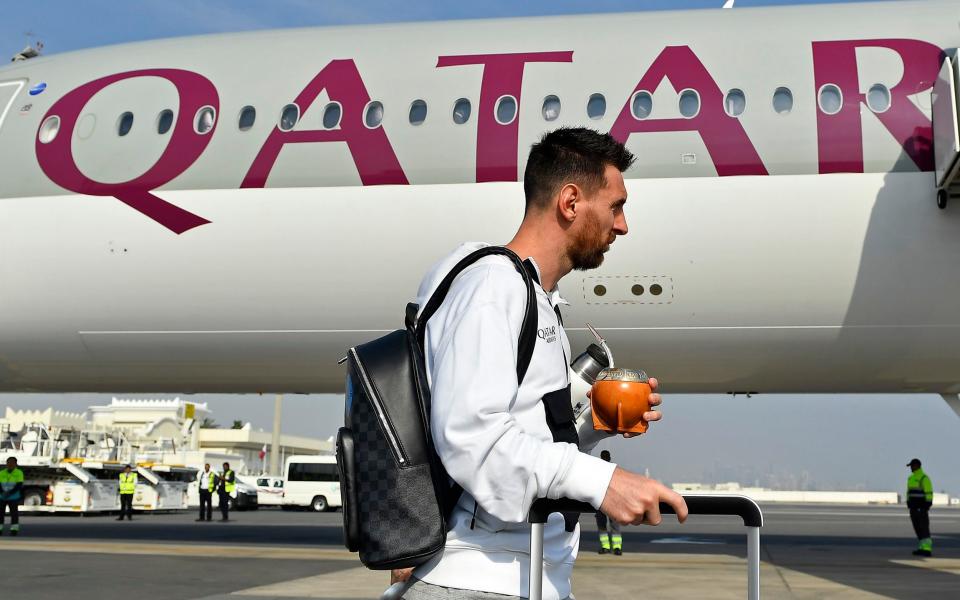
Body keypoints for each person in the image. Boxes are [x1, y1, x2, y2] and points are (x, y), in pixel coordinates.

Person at [397, 128, 688, 599]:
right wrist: (604, 481)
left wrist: (593, 424)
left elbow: (527, 439)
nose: (623, 225)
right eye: (615, 206)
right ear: (571, 202)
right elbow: (474, 438)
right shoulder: (492, 288)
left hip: (530, 575)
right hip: (481, 580)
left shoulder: (538, 297)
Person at [594, 450, 623, 555]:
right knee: (615, 527)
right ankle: (617, 548)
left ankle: (605, 547)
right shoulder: (614, 470)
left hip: (600, 502)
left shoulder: (597, 470)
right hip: (612, 502)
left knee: (602, 526)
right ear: (610, 458)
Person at [906, 458, 934, 557]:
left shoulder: (924, 478)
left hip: (921, 508)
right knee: (917, 528)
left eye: (912, 466)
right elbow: (909, 492)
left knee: (924, 528)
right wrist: (908, 502)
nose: (911, 468)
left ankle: (927, 549)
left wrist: (927, 504)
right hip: (913, 508)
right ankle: (922, 547)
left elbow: (929, 492)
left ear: (917, 466)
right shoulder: (910, 478)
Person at [0, 456, 24, 536]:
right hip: (2, 496)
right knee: (0, 513)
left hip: (13, 497)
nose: (10, 464)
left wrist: (9, 493)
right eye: (8, 463)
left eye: (12, 463)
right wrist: (3, 492)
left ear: (15, 464)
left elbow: (19, 485)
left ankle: (14, 529)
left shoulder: (19, 473)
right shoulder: (2, 473)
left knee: (14, 514)